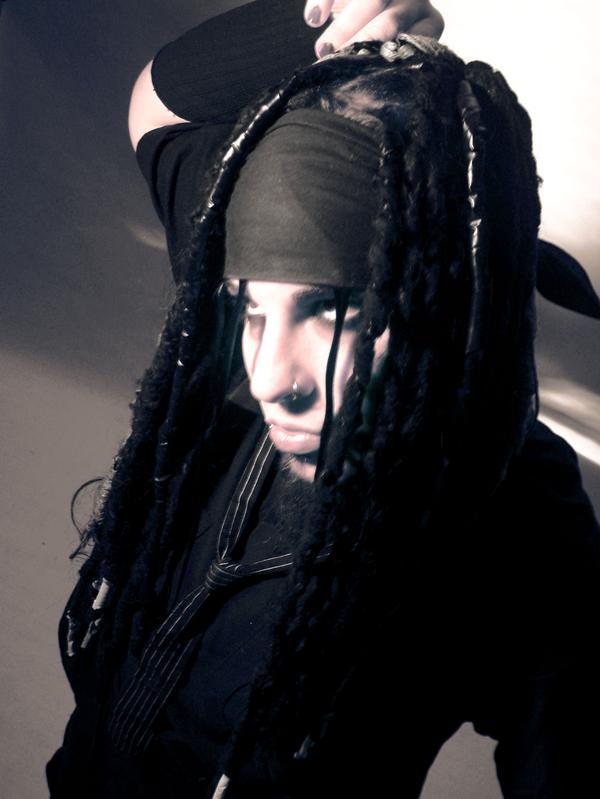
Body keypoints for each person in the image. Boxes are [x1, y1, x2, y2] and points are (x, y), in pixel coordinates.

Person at [48, 1, 600, 797]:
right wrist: (320, 16)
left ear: (439, 296)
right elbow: (157, 110)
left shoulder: (508, 498)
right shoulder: (248, 301)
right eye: (250, 308)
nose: (272, 374)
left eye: (331, 310)